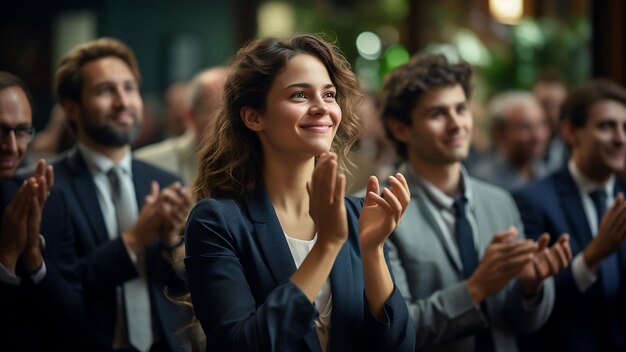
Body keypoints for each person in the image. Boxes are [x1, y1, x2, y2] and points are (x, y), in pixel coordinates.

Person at [184, 34, 415, 351]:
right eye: (299, 96)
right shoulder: (218, 222)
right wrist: (328, 245)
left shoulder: (359, 216)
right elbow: (240, 345)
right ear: (254, 117)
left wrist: (373, 249)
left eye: (329, 94)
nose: (322, 107)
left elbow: (399, 345)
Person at [379, 53, 572, 351]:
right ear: (400, 128)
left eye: (461, 109)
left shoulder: (499, 200)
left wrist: (529, 287)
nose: (457, 124)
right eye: (437, 114)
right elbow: (396, 331)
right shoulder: (380, 210)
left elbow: (520, 324)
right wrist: (476, 288)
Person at [51, 37, 194, 351]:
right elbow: (58, 289)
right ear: (72, 108)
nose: (123, 102)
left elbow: (186, 288)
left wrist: (172, 244)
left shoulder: (165, 181)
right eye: (105, 91)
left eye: (129, 88)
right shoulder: (49, 185)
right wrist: (134, 239)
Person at [513, 79, 626, 352]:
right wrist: (593, 255)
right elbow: (529, 306)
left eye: (625, 127)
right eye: (606, 126)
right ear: (570, 132)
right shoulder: (532, 200)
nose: (620, 138)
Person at [0, 71, 83, 350]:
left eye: (22, 131)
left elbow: (73, 318)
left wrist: (34, 256)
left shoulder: (48, 201)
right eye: (0, 131)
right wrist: (7, 259)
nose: (12, 147)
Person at [135, 67, 228, 185]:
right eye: (217, 111)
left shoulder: (251, 162)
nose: (228, 121)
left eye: (234, 111)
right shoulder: (146, 164)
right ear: (190, 117)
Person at [471, 91, 550, 191]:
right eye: (525, 127)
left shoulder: (545, 172)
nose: (538, 135)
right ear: (499, 134)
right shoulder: (483, 183)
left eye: (541, 125)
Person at [532, 72, 568, 173]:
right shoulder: (521, 147)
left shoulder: (574, 148)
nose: (549, 112)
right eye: (544, 104)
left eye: (555, 105)